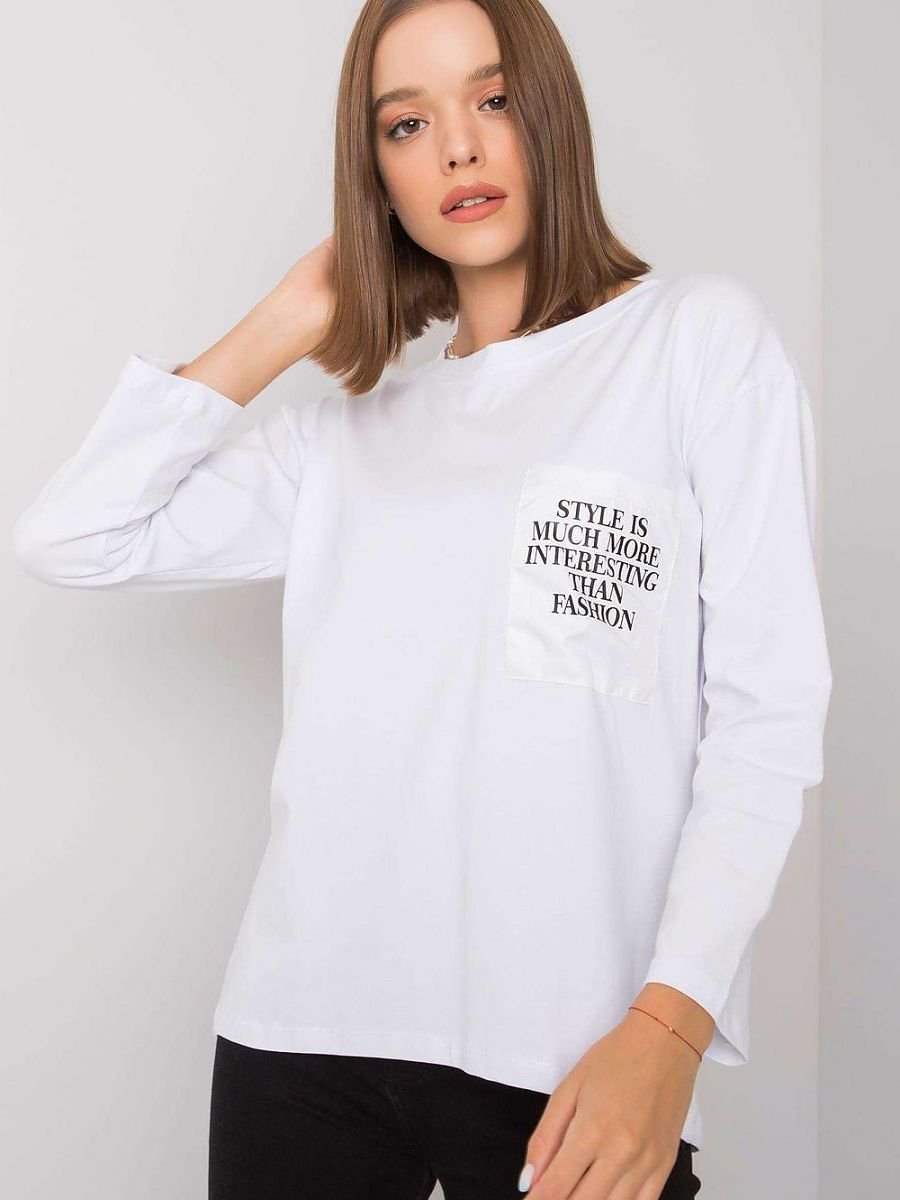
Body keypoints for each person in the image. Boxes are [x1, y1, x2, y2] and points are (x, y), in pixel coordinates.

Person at [12, 0, 832, 1197]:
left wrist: (671, 1027)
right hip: (302, 1038)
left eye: (492, 99)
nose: (457, 146)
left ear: (550, 112)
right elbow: (72, 536)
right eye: (406, 123)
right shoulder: (347, 438)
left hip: (572, 1052)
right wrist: (290, 318)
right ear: (376, 172)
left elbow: (767, 717)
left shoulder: (697, 343)